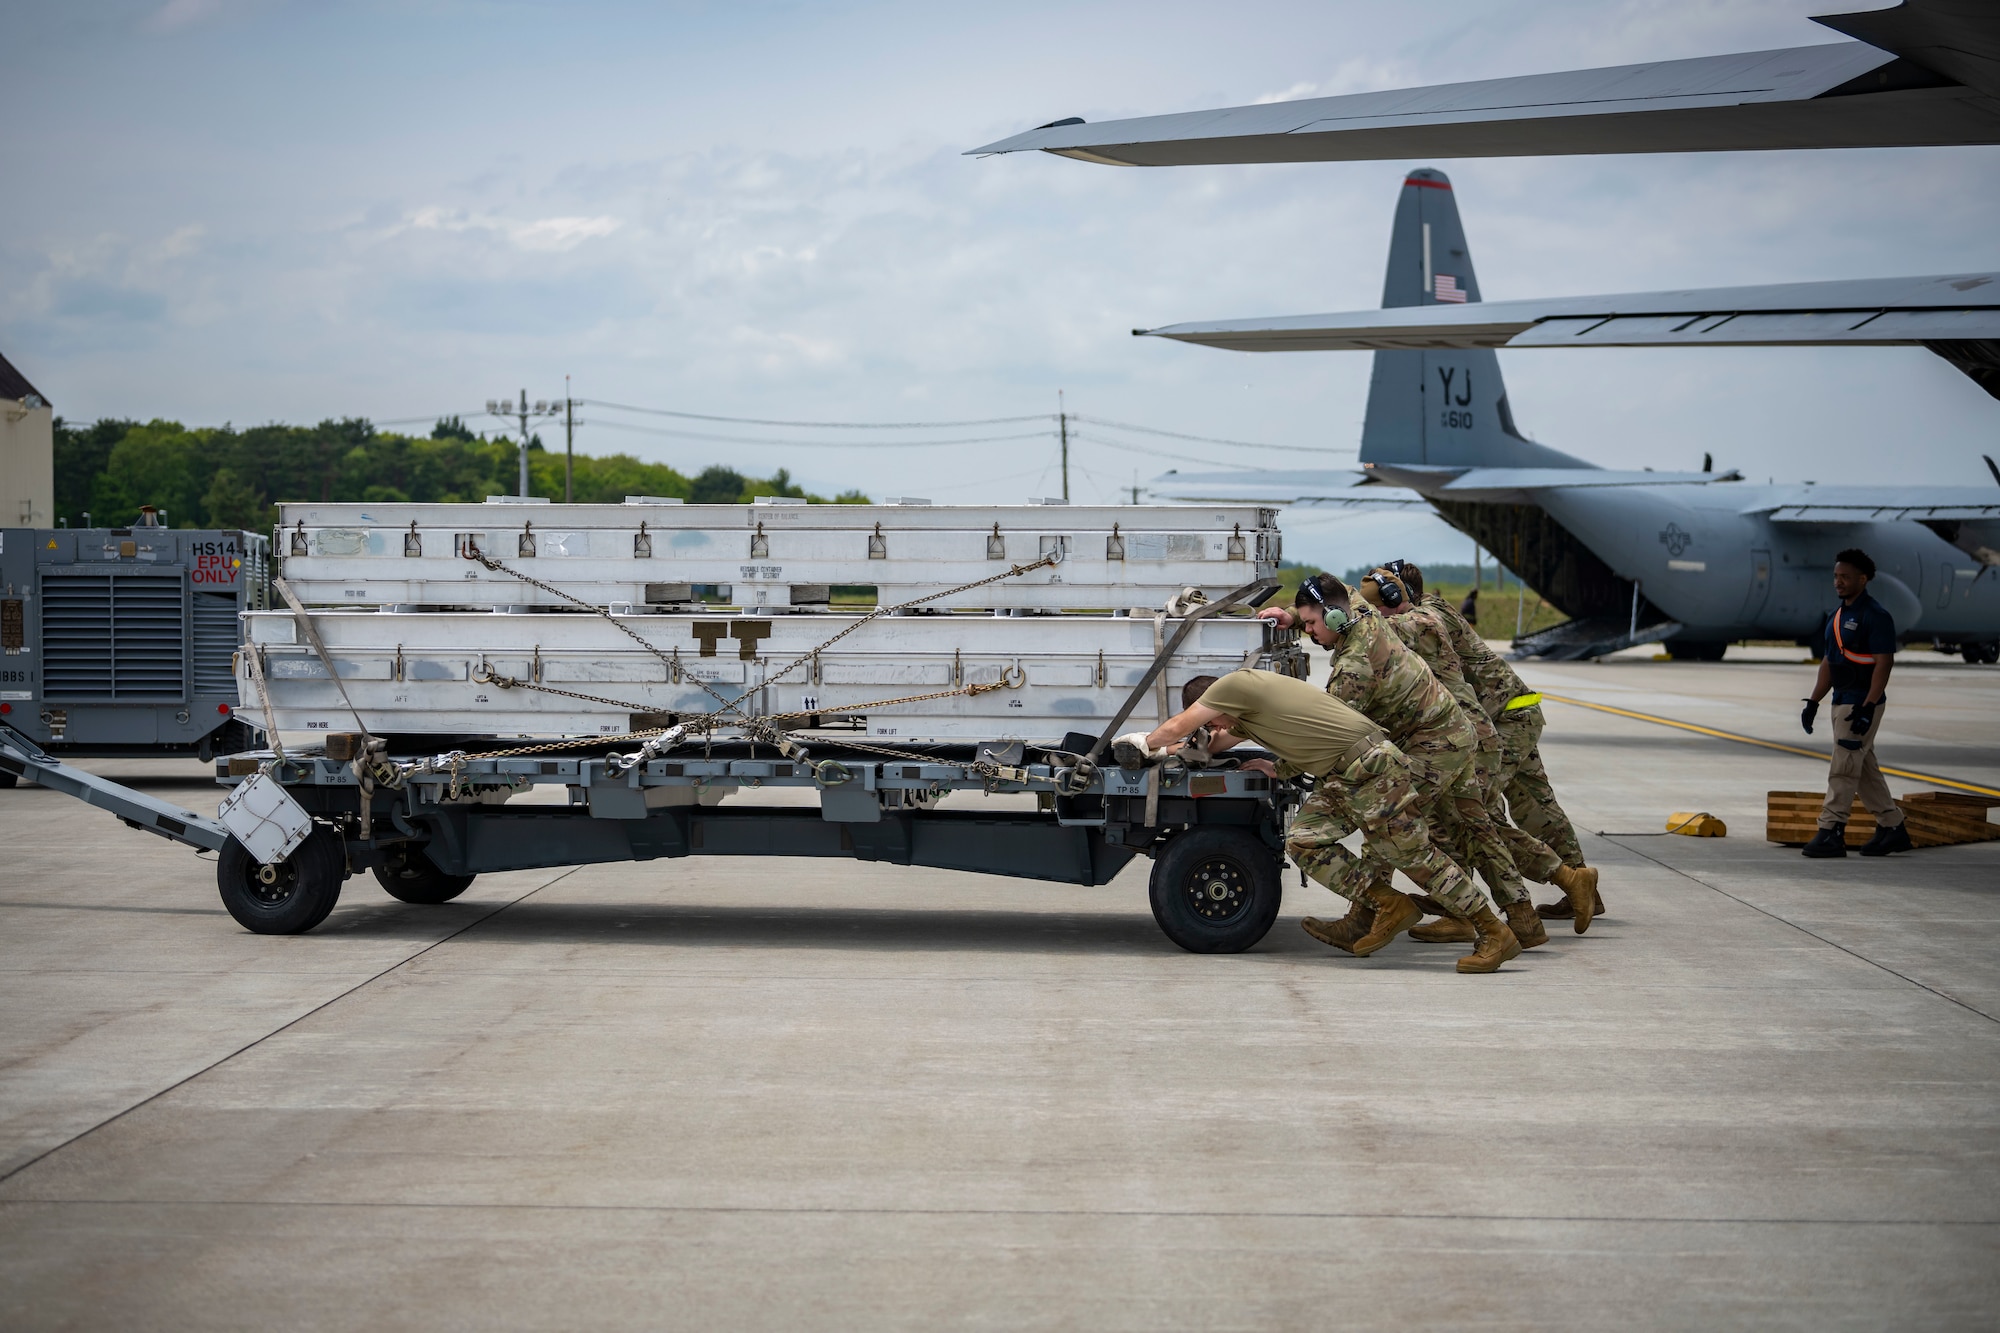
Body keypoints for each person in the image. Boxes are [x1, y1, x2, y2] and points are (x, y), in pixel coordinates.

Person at [1116, 669, 1519, 973]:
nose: (1215, 730)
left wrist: (1139, 744)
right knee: (1305, 840)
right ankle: (1387, 903)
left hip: (1371, 767)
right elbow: (1206, 745)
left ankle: (1493, 931)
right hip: (1346, 773)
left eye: (1211, 721)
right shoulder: (1241, 712)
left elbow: (1176, 728)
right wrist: (1175, 751)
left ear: (1210, 703)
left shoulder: (1233, 686)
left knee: (1415, 856)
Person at [1254, 575, 1521, 969]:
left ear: (1332, 615)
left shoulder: (1354, 667)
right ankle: (1369, 915)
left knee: (1400, 841)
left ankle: (1493, 932)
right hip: (1434, 735)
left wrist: (1279, 768)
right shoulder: (1355, 609)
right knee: (1384, 835)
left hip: (1434, 746)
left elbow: (1330, 739)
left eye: (1312, 625)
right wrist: (1289, 616)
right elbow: (1336, 588)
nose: (1309, 633)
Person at [1357, 565, 1567, 949]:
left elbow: (1381, 631)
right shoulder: (1409, 620)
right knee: (1482, 823)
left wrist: (1337, 609)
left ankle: (1384, 914)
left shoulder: (1422, 620)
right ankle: (1539, 903)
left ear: (1394, 599)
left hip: (1480, 729)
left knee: (1404, 814)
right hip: (1472, 729)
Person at [1395, 561, 1602, 929]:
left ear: (1401, 594)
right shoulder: (1430, 609)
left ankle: (1459, 905)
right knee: (1535, 806)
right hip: (1511, 713)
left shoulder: (1428, 614)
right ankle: (1581, 885)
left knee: (1470, 810)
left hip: (1503, 719)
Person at [1801, 548, 1909, 858]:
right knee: (1862, 767)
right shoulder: (1836, 616)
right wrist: (1813, 700)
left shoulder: (1875, 616)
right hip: (1841, 701)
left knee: (1844, 767)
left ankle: (1831, 829)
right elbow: (1829, 662)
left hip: (1861, 703)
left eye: (1845, 577)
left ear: (1864, 579)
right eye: (1836, 576)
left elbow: (1883, 664)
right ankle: (1892, 828)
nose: (1839, 582)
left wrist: (1869, 705)